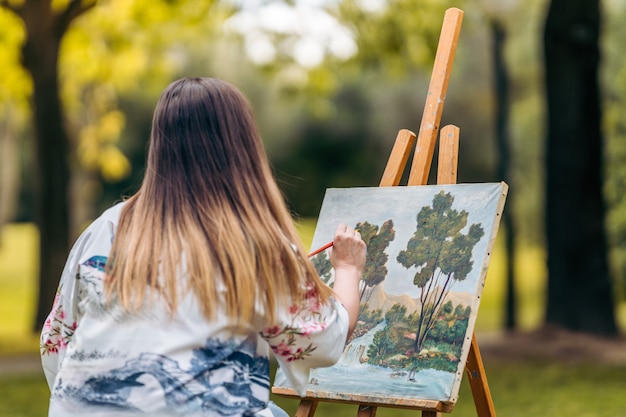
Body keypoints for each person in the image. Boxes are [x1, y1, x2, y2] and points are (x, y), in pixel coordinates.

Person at [40, 77, 366, 417]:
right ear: (244, 148)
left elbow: (55, 343)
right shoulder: (254, 240)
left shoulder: (106, 227)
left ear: (159, 145)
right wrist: (347, 269)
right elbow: (325, 341)